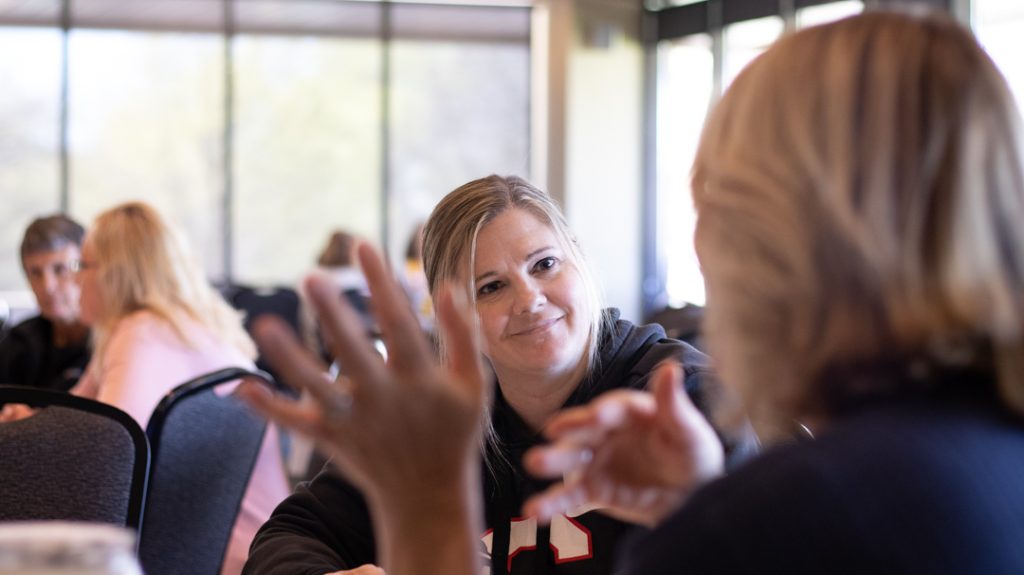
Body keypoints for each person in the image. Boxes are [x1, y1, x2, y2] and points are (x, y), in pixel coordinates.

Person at [241, 9, 1024, 575]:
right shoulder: (981, 452)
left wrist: (427, 516)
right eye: (490, 284)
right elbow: (293, 535)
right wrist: (700, 503)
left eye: (720, 207)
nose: (702, 246)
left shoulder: (794, 486)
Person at [242, 176, 752, 575]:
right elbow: (289, 537)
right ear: (452, 319)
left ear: (580, 262)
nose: (529, 299)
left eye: (545, 264)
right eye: (490, 287)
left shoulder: (679, 398)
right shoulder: (444, 421)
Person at [70, 202, 290, 575]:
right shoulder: (193, 327)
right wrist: (32, 419)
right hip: (251, 548)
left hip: (221, 557)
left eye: (83, 265)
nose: (75, 280)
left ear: (115, 272)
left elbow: (108, 458)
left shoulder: (142, 334)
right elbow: (76, 416)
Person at [0, 215, 90, 391]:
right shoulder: (18, 342)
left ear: (87, 269)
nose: (47, 286)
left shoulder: (110, 346)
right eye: (35, 273)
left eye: (60, 269)